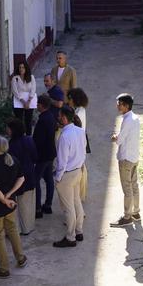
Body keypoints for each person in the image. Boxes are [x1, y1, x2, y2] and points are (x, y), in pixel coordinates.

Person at [0, 135, 27, 279]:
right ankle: (21, 258)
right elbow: (21, 178)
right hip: (10, 204)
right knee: (13, 230)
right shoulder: (13, 160)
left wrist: (4, 199)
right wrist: (9, 196)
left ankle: (3, 269)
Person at [52, 106, 87, 248]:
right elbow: (83, 151)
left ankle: (71, 237)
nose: (58, 118)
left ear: (64, 118)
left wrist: (58, 177)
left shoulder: (64, 136)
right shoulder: (80, 131)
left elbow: (62, 161)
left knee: (69, 207)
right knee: (76, 201)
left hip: (66, 175)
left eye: (60, 116)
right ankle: (79, 231)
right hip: (78, 171)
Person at [110, 93, 141, 227]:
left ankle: (127, 217)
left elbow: (120, 140)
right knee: (134, 185)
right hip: (134, 157)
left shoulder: (127, 120)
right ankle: (136, 212)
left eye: (119, 104)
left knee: (127, 188)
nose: (117, 106)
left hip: (126, 158)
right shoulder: (135, 118)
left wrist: (115, 137)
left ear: (126, 106)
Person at [6, 118, 38, 235]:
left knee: (19, 205)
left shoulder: (11, 145)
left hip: (18, 177)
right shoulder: (29, 140)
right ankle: (28, 227)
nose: (7, 130)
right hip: (30, 174)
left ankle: (20, 229)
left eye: (8, 128)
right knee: (28, 203)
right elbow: (35, 157)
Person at [32, 94, 59, 216]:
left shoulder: (42, 120)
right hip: (50, 153)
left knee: (36, 179)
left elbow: (38, 140)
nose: (36, 105)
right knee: (49, 179)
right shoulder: (51, 116)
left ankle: (37, 209)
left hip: (42, 155)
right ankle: (48, 205)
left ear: (41, 105)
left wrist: (33, 155)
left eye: (37, 104)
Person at [67, 87, 92, 201]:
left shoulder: (78, 112)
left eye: (70, 99)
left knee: (80, 168)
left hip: (79, 142)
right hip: (81, 140)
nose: (69, 101)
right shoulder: (80, 110)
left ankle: (80, 195)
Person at [10, 61, 37, 130]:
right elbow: (15, 91)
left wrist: (28, 101)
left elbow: (33, 89)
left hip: (29, 101)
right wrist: (23, 101)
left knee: (28, 120)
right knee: (19, 120)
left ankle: (28, 137)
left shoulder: (31, 77)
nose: (21, 69)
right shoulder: (15, 78)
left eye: (23, 67)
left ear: (26, 68)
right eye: (20, 67)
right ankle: (20, 135)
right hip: (19, 101)